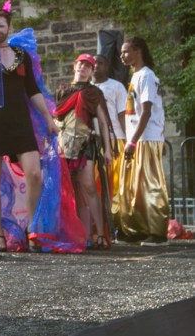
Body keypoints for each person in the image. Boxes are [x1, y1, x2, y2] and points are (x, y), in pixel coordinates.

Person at [0, 3, 68, 252]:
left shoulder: (22, 55)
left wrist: (49, 119)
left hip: (20, 123)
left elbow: (33, 91)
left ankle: (32, 230)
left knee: (34, 173)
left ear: (8, 28)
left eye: (1, 25)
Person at [54, 54, 114, 250]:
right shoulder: (63, 92)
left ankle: (99, 234)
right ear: (74, 66)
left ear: (91, 71)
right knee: (73, 191)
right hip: (64, 146)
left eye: (87, 66)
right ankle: (82, 235)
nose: (83, 68)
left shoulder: (94, 92)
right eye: (80, 64)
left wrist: (108, 150)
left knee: (88, 187)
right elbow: (56, 120)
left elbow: (104, 123)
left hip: (85, 145)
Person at [117, 36, 169, 246]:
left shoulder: (146, 76)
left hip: (147, 138)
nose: (122, 56)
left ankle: (158, 233)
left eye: (125, 51)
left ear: (138, 51)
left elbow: (146, 112)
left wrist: (132, 141)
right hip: (137, 139)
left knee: (151, 184)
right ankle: (139, 229)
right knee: (136, 186)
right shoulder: (136, 75)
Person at [92, 54, 127, 228]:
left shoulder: (117, 87)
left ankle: (119, 224)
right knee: (95, 185)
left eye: (100, 63)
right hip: (93, 143)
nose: (97, 66)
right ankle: (99, 224)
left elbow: (122, 115)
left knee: (117, 185)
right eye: (94, 63)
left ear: (107, 66)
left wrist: (128, 139)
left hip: (116, 140)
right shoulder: (86, 87)